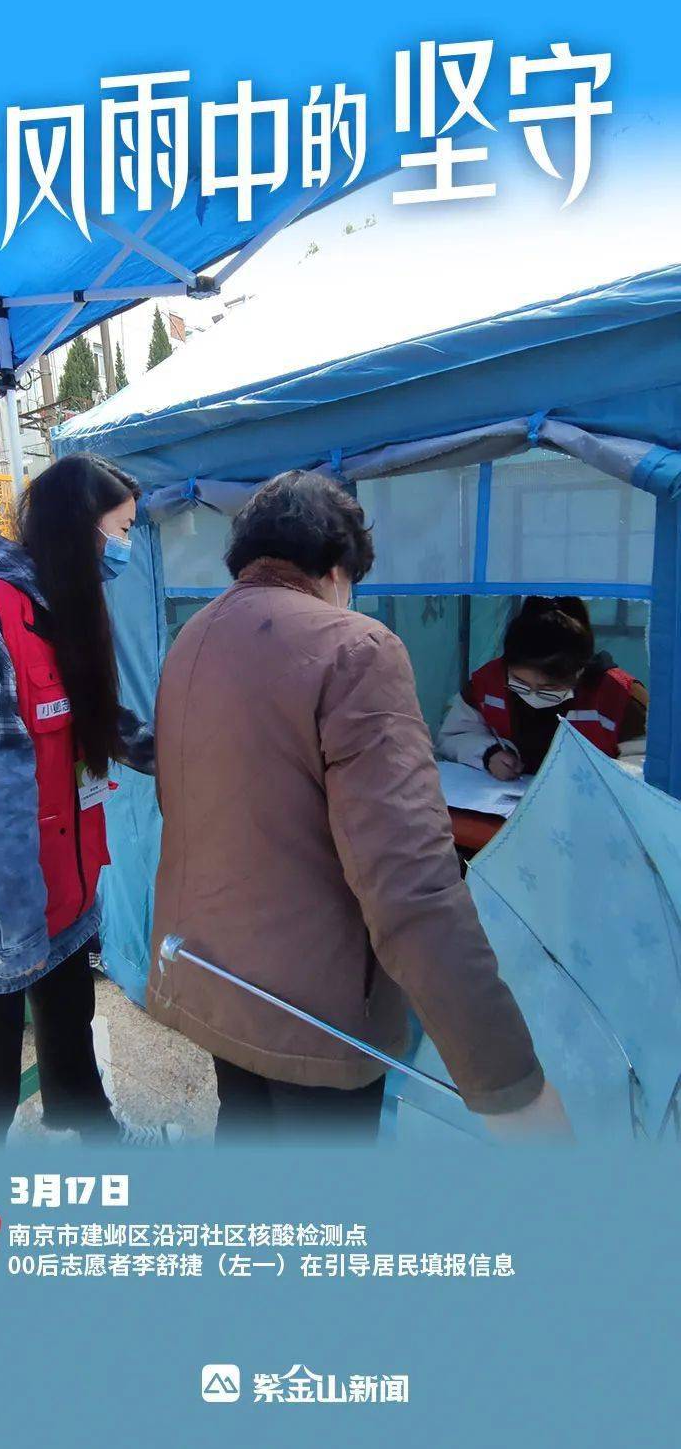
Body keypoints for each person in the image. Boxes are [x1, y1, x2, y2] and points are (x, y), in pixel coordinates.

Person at [147, 471, 568, 1142]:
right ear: (338, 569)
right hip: (316, 1013)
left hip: (215, 975)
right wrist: (509, 1084)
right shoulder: (355, 648)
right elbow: (411, 885)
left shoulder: (192, 639)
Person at [0, 454, 176, 1145]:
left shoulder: (59, 609)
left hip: (60, 883)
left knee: (71, 1032)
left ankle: (100, 1141)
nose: (124, 548)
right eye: (121, 531)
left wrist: (188, 756)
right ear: (80, 529)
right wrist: (17, 935)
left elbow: (95, 725)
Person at [437, 596, 649, 781]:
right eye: (520, 684)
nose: (532, 695)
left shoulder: (621, 697)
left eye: (549, 688)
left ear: (579, 671)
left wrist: (598, 778)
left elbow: (646, 766)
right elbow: (453, 736)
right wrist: (488, 754)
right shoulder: (488, 682)